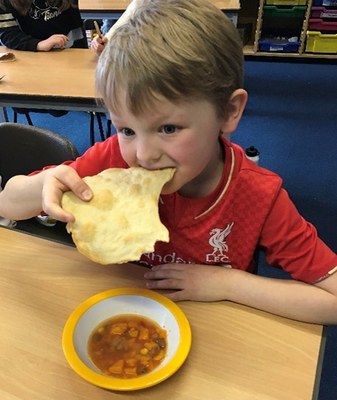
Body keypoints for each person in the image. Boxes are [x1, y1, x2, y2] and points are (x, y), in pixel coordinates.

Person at [0, 0, 337, 325]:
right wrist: (44, 185)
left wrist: (228, 284)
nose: (144, 155)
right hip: (129, 312)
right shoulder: (115, 159)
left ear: (229, 111)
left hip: (220, 334)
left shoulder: (260, 197)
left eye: (169, 128)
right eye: (128, 129)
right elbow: (7, 204)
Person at [0, 0, 87, 51]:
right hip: (29, 53)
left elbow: (77, 30)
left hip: (67, 49)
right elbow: (8, 34)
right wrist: (38, 44)